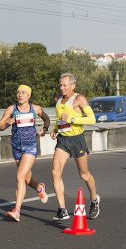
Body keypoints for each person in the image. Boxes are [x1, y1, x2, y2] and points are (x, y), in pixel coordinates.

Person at [0, 84, 52, 222]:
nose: (20, 95)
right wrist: (7, 123)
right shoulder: (11, 109)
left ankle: (17, 210)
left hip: (30, 147)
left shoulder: (35, 108)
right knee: (26, 179)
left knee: (20, 176)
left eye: (23, 93)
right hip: (16, 147)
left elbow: (47, 119)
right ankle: (39, 187)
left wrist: (44, 130)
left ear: (29, 95)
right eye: (18, 92)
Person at [50, 73, 100, 220]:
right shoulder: (58, 100)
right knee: (55, 172)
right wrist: (54, 130)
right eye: (60, 85)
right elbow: (59, 119)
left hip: (77, 139)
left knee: (84, 174)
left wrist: (72, 118)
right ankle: (62, 209)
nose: (62, 87)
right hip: (63, 140)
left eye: (65, 85)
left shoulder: (79, 99)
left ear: (73, 85)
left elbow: (92, 118)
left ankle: (94, 199)